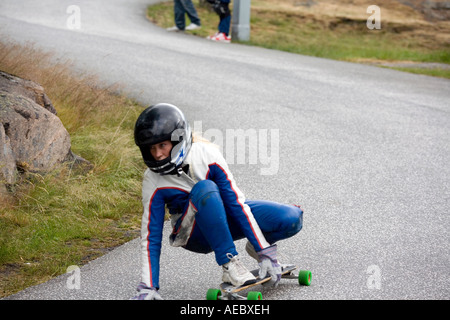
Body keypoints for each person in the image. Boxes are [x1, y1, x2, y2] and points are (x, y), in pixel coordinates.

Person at [131, 103, 303, 300]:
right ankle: (230, 264)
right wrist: (148, 285)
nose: (158, 154)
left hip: (222, 218)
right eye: (152, 148)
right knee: (205, 188)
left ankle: (256, 249)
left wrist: (264, 249)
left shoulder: (206, 155)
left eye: (162, 145)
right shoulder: (152, 180)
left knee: (290, 217)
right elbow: (151, 235)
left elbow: (236, 203)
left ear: (178, 139)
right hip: (194, 235)